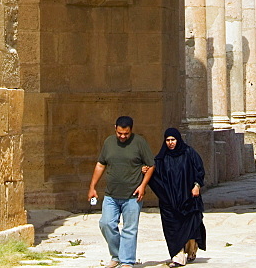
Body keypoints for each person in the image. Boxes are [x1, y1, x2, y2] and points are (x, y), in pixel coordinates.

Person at [88, 115, 155, 268]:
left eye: (126, 134)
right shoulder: (109, 142)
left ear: (131, 130)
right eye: (120, 133)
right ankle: (117, 255)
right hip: (111, 194)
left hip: (132, 195)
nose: (123, 136)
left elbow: (151, 165)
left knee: (129, 229)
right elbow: (100, 164)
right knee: (106, 224)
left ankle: (127, 261)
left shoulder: (139, 142)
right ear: (115, 129)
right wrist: (92, 187)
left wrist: (143, 185)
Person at [149, 128, 206, 267]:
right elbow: (156, 177)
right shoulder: (162, 158)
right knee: (172, 227)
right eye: (167, 140)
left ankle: (191, 249)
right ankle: (177, 256)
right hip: (170, 199)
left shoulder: (189, 153)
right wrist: (147, 172)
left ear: (178, 140)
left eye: (173, 140)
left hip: (188, 197)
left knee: (191, 223)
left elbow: (199, 169)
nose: (170, 143)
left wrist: (196, 186)